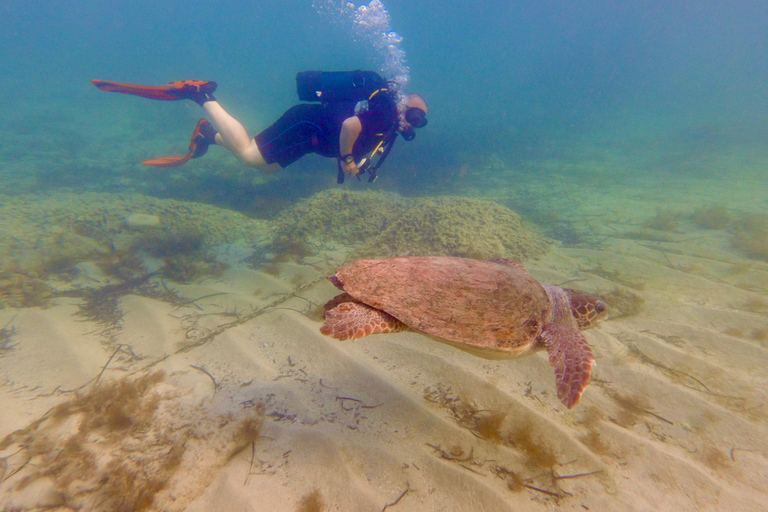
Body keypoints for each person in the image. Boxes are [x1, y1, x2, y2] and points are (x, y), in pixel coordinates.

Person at [91, 71, 427, 182]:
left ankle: (208, 136)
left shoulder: (390, 124)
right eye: (414, 114)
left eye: (420, 121)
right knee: (251, 156)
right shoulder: (385, 113)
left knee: (266, 168)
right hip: (305, 124)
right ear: (403, 106)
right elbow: (351, 126)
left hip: (311, 136)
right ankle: (200, 96)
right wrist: (346, 160)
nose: (414, 122)